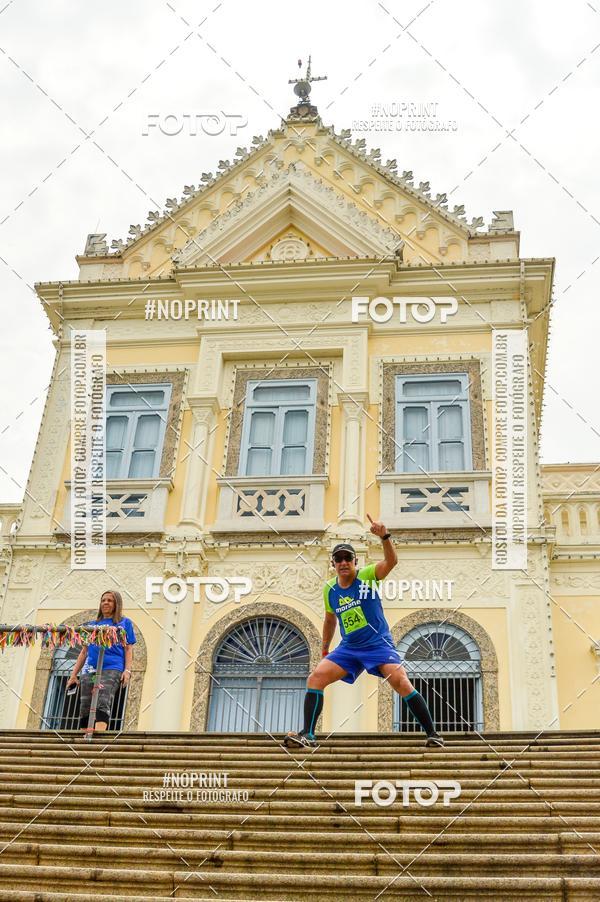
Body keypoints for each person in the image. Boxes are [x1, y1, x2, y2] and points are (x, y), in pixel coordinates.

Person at [284, 515, 444, 749]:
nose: (343, 562)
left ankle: (432, 733)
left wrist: (385, 537)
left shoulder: (367, 577)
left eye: (347, 558)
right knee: (316, 678)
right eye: (338, 559)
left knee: (400, 681)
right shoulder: (330, 589)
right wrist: (325, 647)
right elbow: (330, 620)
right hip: (349, 648)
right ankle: (307, 735)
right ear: (333, 564)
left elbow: (391, 562)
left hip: (378, 645)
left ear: (355, 561)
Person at [66, 590, 136, 733]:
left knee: (103, 698)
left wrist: (127, 671)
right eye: (103, 600)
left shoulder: (124, 623)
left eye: (110, 600)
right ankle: (84, 734)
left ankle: (98, 735)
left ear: (117, 604)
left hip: (112, 667)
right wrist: (73, 675)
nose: (105, 603)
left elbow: (128, 649)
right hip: (90, 669)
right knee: (85, 702)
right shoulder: (92, 625)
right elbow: (84, 651)